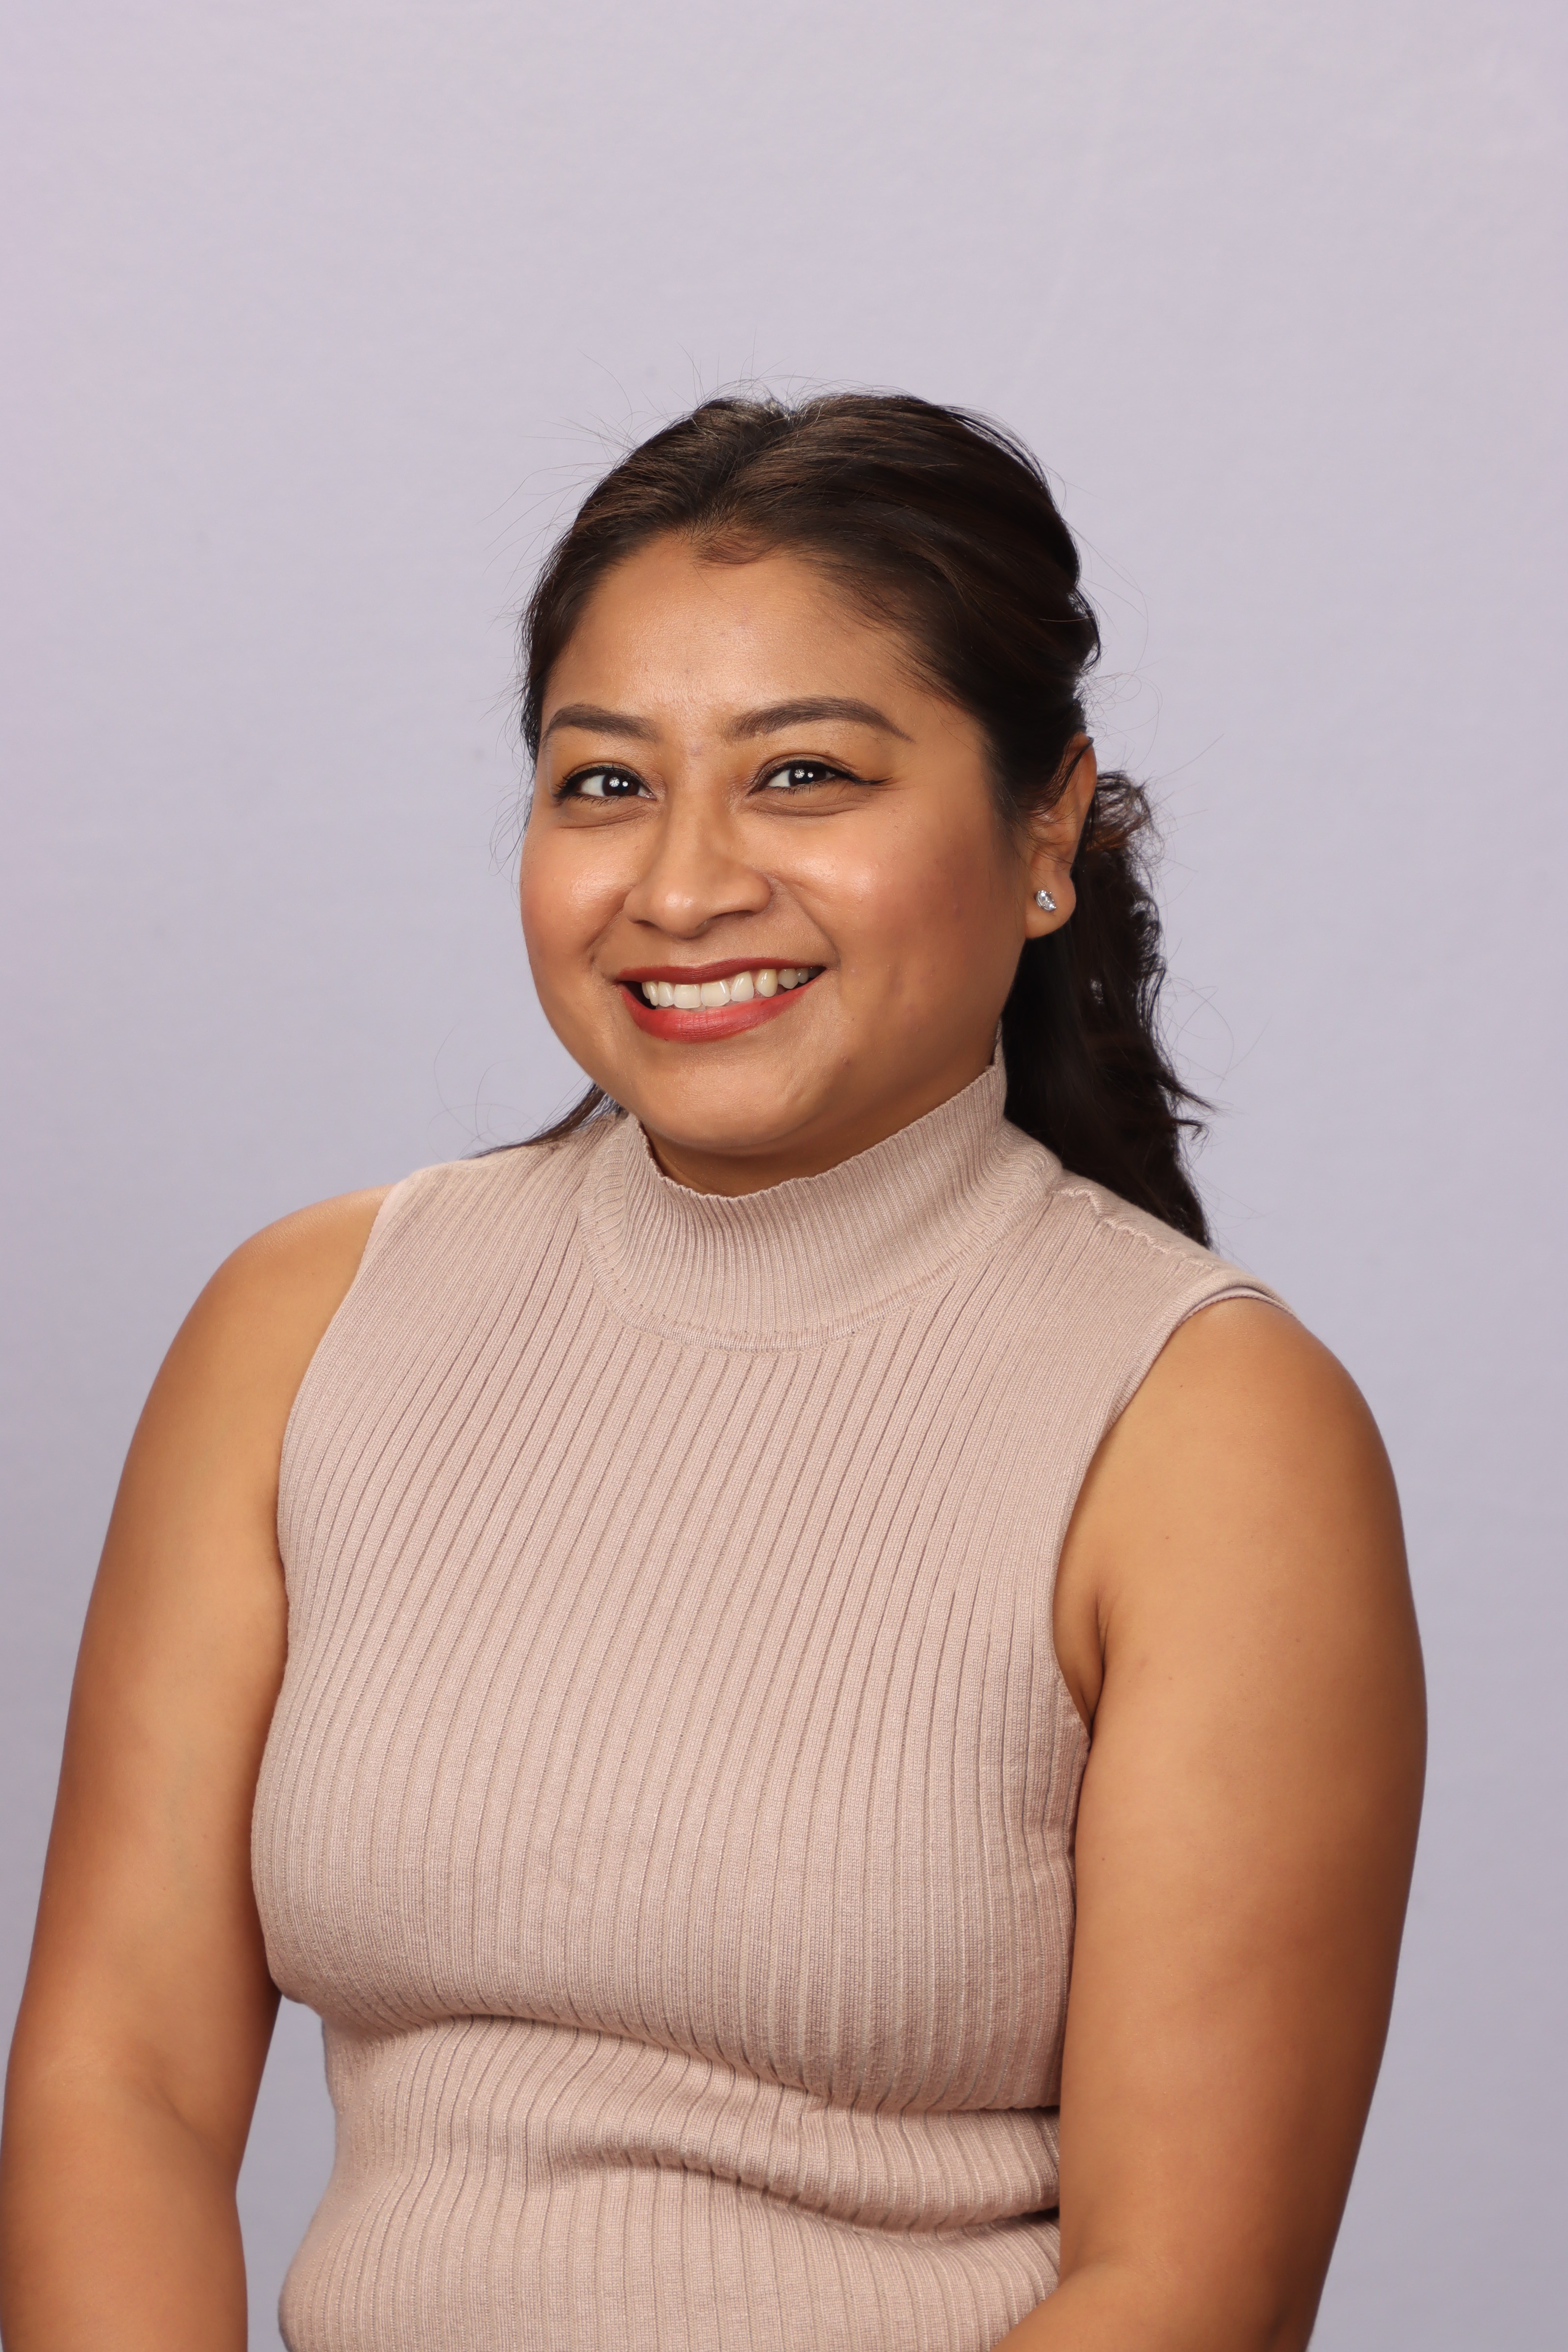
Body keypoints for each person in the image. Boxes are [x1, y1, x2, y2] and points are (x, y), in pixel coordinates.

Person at [0, 393, 1424, 2352]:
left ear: (1044, 830)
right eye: (603, 783)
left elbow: (1182, 2294)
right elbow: (124, 2087)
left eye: (803, 776)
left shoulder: (1204, 1430)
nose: (679, 887)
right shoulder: (304, 1324)